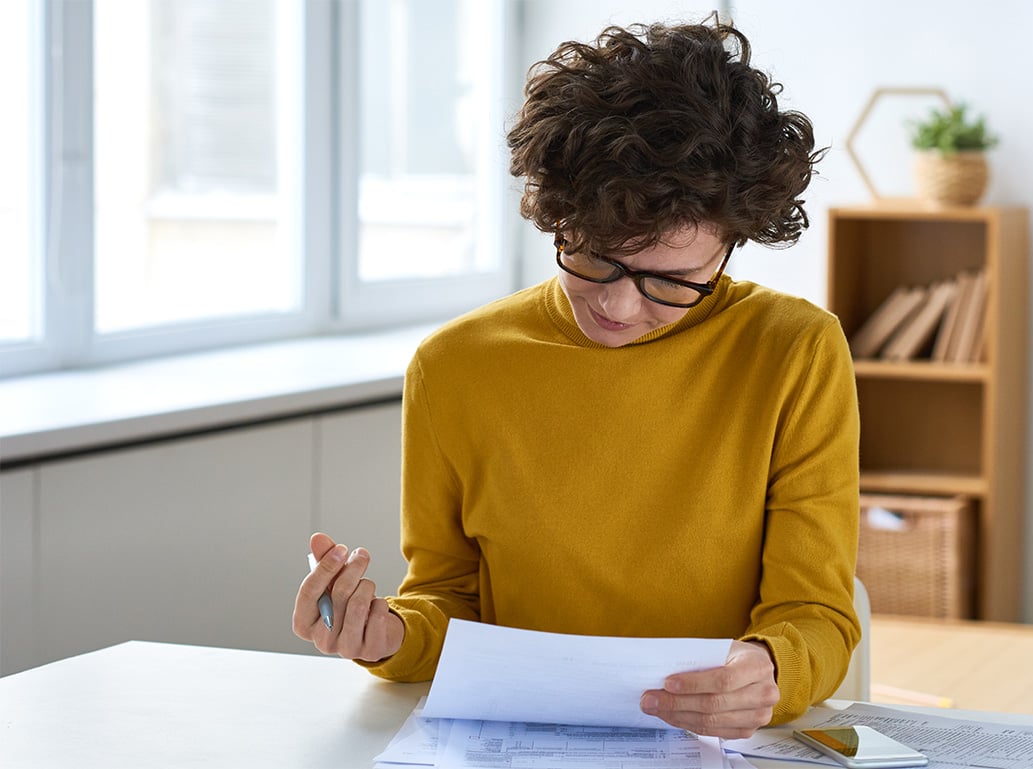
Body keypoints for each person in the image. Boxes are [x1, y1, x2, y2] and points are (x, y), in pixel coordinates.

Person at [293, 17, 859, 739]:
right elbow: (447, 601)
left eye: (672, 281)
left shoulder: (795, 351)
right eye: (594, 257)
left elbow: (816, 615)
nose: (619, 306)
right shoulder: (455, 366)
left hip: (711, 748)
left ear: (731, 245)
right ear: (556, 214)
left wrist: (772, 668)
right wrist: (386, 637)